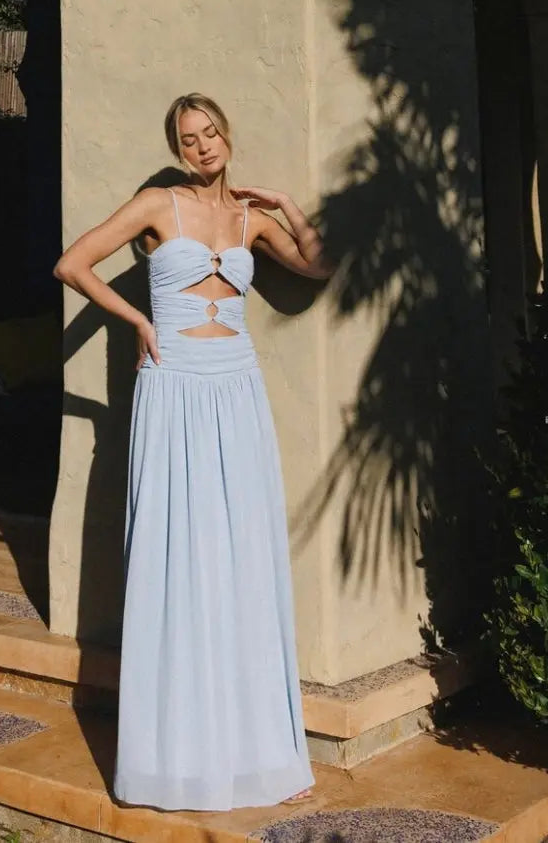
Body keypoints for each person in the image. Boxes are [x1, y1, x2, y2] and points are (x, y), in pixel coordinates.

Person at [54, 93, 332, 812]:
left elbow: (319, 265)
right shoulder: (157, 204)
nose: (203, 146)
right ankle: (171, 757)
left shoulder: (250, 220)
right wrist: (138, 321)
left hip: (236, 383)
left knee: (241, 553)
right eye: (189, 138)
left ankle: (256, 751)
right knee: (176, 551)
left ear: (226, 137)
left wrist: (283, 201)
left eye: (210, 133)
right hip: (173, 379)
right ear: (177, 149)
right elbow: (73, 264)